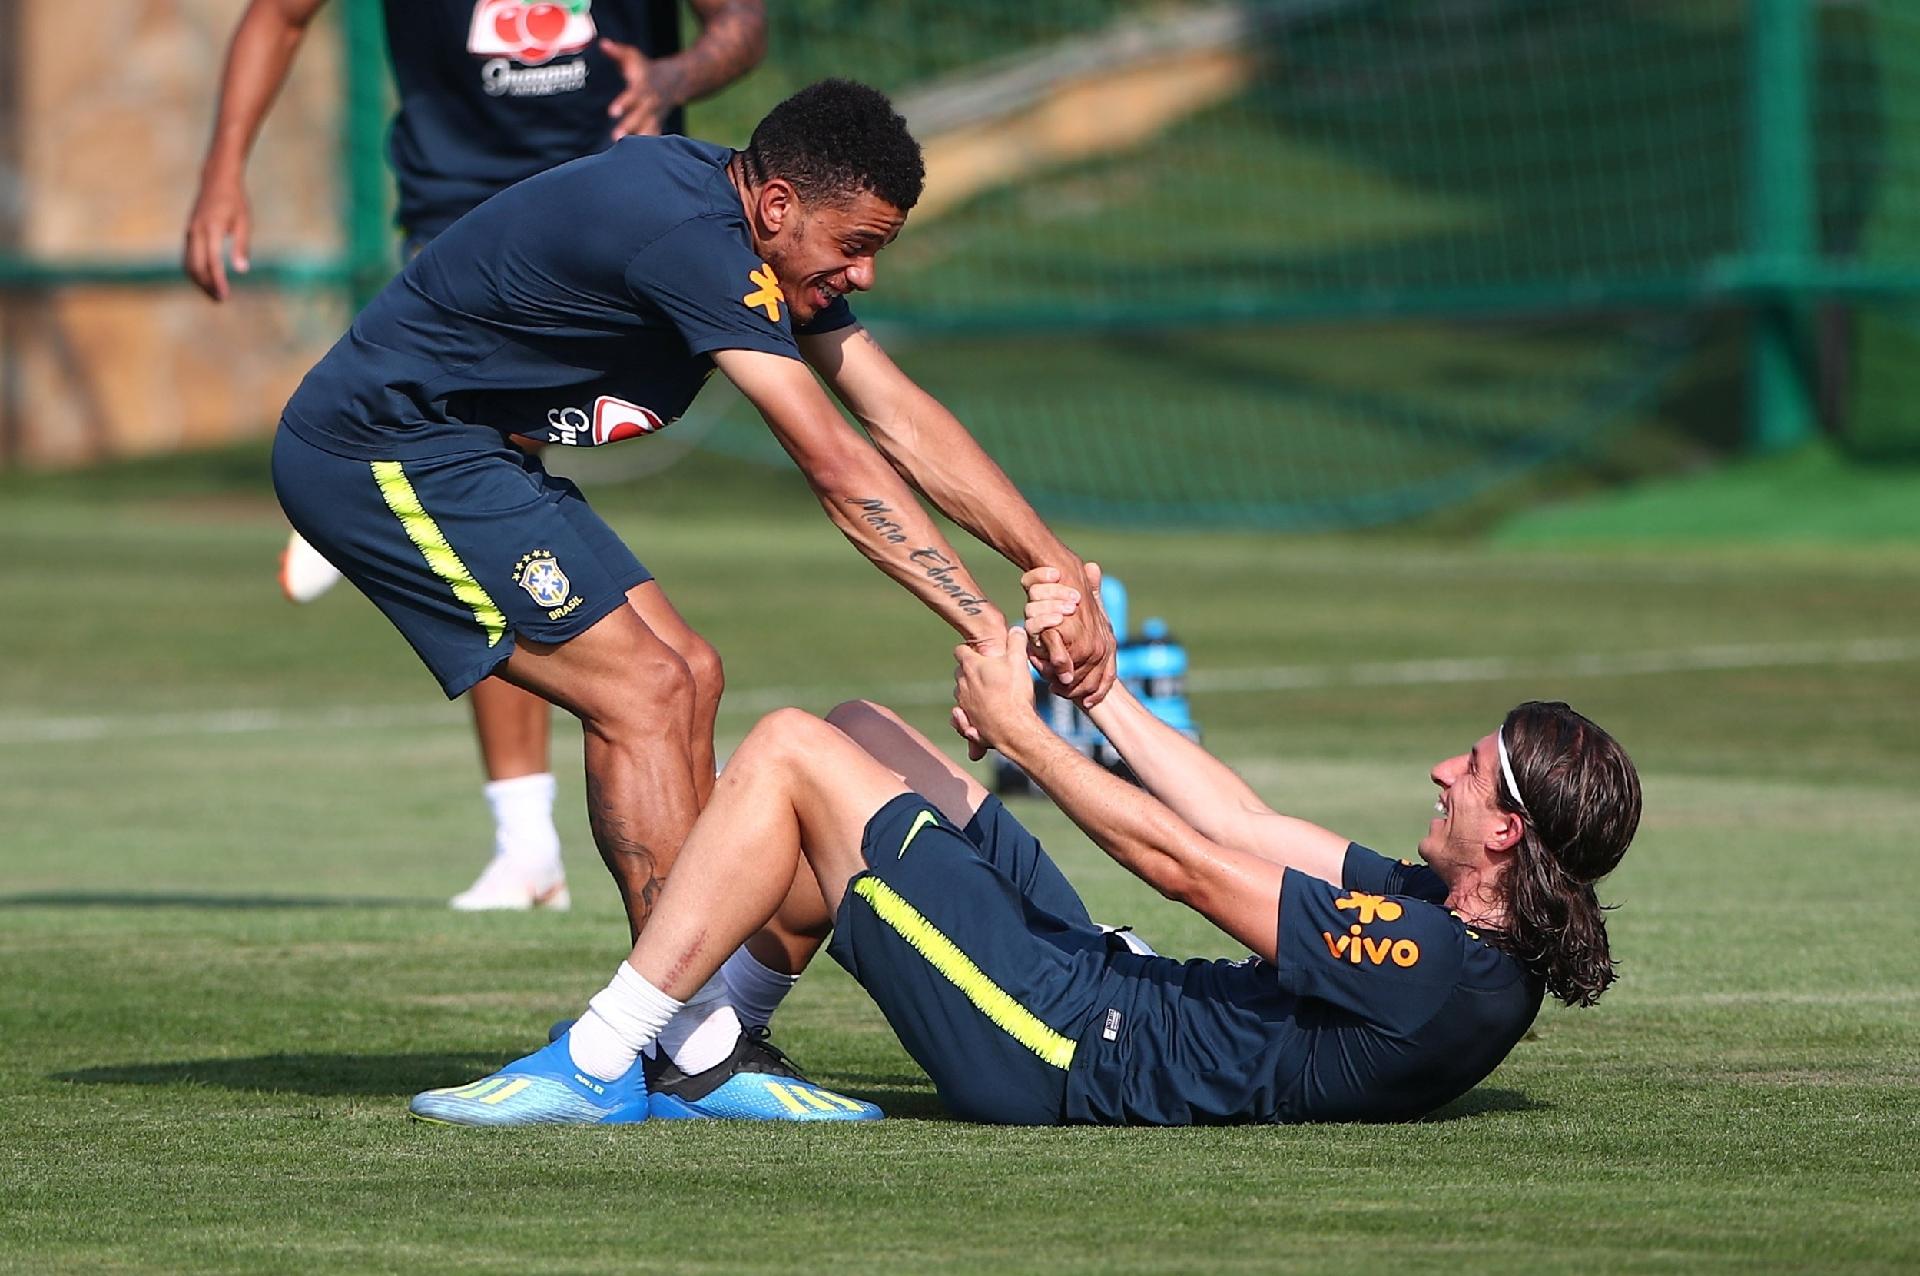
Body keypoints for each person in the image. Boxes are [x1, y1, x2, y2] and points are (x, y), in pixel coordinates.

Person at [276, 81, 1117, 1118]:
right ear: (775, 208)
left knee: (689, 675)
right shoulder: (694, 241)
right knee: (638, 693)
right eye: (853, 245)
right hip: (381, 451)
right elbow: (837, 465)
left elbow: (893, 409)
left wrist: (1054, 567)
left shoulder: (753, 234)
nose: (860, 274)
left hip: (476, 455)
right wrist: (986, 626)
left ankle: (695, 1029)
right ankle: (691, 1049)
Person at [409, 565, 1640, 1126]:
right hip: (1100, 984)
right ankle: (709, 1054)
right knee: (861, 732)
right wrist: (1093, 698)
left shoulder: (1437, 964)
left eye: (1469, 768)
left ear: (1506, 826)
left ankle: (605, 1053)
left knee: (789, 747)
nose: (1442, 768)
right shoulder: (1462, 913)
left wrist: (1025, 741)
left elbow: (1190, 866)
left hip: (1058, 1046)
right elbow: (1245, 821)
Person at [184, 0, 768, 911]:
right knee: (492, 494)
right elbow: (279, 17)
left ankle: (371, 485)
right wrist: (224, 170)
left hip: (617, 203)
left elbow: (741, 23)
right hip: (462, 210)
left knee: (538, 538)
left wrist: (672, 77)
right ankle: (527, 846)